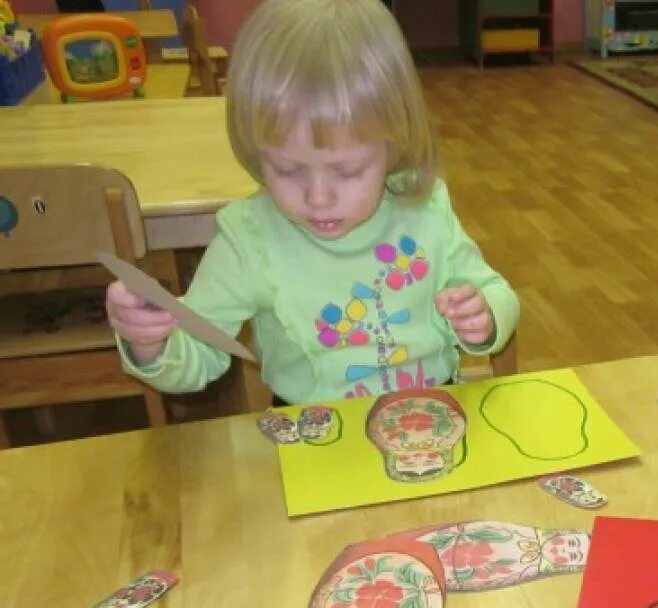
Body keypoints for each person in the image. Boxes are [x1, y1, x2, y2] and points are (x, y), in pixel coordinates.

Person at [105, 0, 519, 403]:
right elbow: (197, 356)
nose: (318, 198)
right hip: (313, 437)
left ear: (395, 144)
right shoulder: (249, 239)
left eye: (347, 170)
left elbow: (494, 289)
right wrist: (150, 346)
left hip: (432, 417)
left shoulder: (424, 207)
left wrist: (484, 315)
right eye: (287, 170)